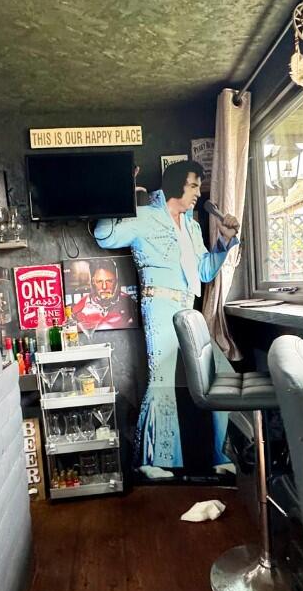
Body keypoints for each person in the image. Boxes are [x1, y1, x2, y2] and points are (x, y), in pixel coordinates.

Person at [93, 160, 240, 474]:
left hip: (188, 310)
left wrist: (225, 242)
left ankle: (218, 456)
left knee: (218, 375)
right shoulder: (144, 216)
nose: (198, 193)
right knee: (162, 382)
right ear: (175, 185)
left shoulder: (192, 225)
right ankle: (153, 461)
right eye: (193, 185)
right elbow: (104, 235)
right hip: (159, 306)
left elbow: (204, 271)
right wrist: (119, 192)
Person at [72, 258, 137, 330]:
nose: (104, 287)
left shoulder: (130, 303)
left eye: (109, 281)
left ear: (116, 281)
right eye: (99, 281)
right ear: (93, 281)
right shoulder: (80, 307)